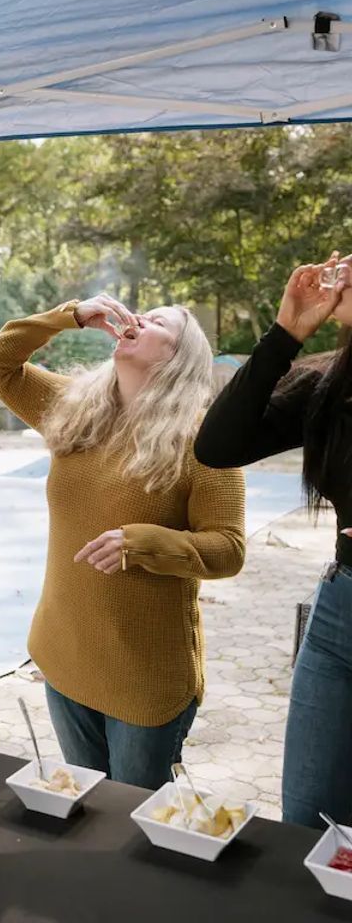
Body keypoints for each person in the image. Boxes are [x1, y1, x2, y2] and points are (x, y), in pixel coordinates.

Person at [0, 294, 245, 789]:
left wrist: (141, 543)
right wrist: (69, 316)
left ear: (178, 356)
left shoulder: (205, 439)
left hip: (145, 677)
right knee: (86, 810)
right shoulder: (75, 406)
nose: (139, 318)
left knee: (135, 826)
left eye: (159, 321)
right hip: (63, 655)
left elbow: (229, 548)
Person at [195, 252, 352, 828]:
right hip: (340, 615)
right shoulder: (330, 382)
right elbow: (217, 446)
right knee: (307, 821)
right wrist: (284, 334)